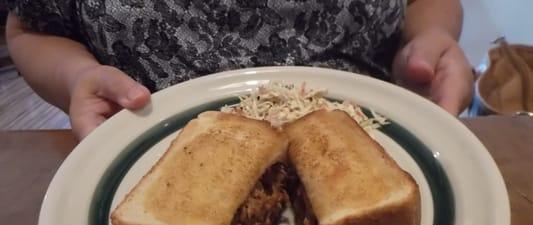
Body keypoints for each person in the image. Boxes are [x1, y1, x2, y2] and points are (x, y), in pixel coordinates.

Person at [5, 0, 473, 140]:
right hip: (151, 145)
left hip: (371, 137)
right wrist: (75, 76)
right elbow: (32, 28)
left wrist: (429, 38)